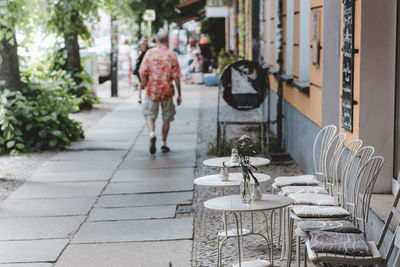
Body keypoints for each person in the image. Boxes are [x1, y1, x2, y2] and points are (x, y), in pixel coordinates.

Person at [139, 31, 182, 154]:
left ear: (157, 40)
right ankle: (164, 143)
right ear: (167, 40)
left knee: (150, 115)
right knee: (166, 118)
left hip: (152, 90)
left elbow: (142, 71)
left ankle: (152, 134)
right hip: (167, 90)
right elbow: (177, 77)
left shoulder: (150, 53)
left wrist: (144, 83)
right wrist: (179, 94)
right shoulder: (171, 55)